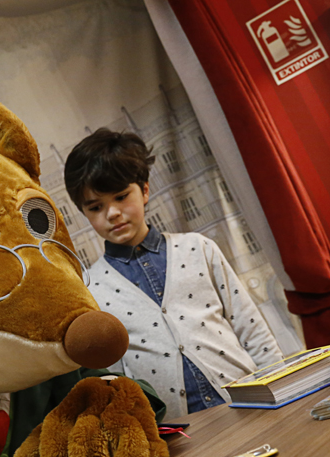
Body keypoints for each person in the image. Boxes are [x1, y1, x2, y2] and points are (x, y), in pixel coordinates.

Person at [64, 128, 284, 419]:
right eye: (96, 206)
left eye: (121, 196)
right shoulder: (92, 290)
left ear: (144, 190)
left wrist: (281, 388)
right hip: (178, 429)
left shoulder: (198, 248)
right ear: (84, 212)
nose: (113, 213)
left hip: (250, 402)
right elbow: (116, 379)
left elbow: (250, 326)